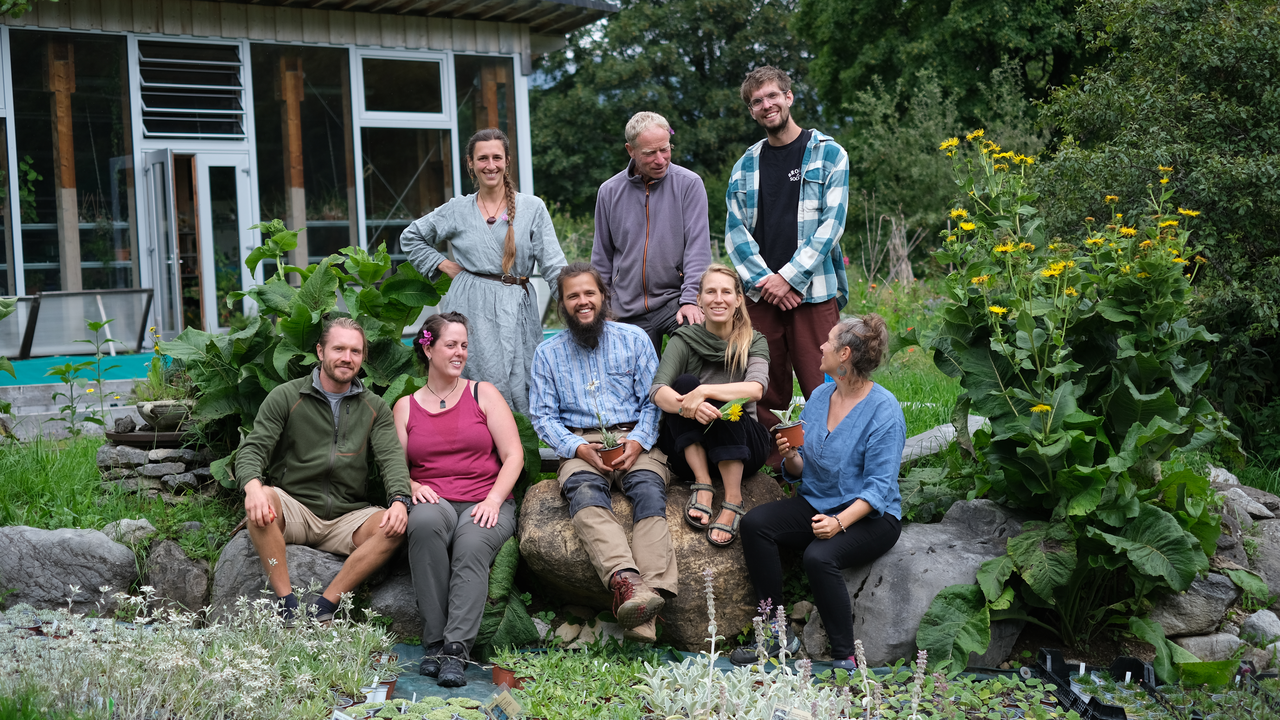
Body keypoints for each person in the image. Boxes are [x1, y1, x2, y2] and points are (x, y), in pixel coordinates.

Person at [731, 315, 904, 670]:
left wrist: (838, 523)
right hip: (819, 502)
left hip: (872, 516)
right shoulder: (821, 396)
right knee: (755, 524)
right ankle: (777, 632)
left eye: (828, 341)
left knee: (818, 556)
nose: (821, 346)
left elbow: (879, 488)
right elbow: (804, 469)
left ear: (844, 355)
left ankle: (845, 657)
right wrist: (790, 456)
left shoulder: (884, 411)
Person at [529, 262, 676, 643]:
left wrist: (638, 441)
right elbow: (542, 416)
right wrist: (577, 447)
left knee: (649, 492)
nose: (582, 301)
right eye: (573, 296)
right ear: (562, 304)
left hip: (634, 438)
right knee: (585, 494)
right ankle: (628, 583)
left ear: (603, 296)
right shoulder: (547, 353)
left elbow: (654, 401)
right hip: (581, 444)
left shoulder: (635, 339)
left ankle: (649, 598)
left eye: (589, 293)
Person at [235, 317, 411, 624]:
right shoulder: (286, 396)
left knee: (394, 526)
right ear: (320, 351)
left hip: (348, 516)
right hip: (295, 507)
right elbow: (253, 449)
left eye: (355, 351)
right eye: (338, 349)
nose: (347, 358)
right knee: (262, 500)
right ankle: (288, 605)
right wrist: (252, 487)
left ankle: (324, 606)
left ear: (363, 357)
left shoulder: (375, 407)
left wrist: (399, 500)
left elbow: (392, 459)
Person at [725, 66, 849, 463]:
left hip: (814, 292)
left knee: (826, 383)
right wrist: (768, 282)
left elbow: (832, 224)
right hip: (763, 297)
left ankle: (832, 465)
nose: (766, 105)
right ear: (751, 110)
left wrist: (790, 279)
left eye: (772, 96)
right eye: (756, 101)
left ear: (788, 97)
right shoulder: (745, 165)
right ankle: (777, 470)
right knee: (766, 388)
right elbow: (735, 233)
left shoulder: (829, 153)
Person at [393, 312, 521, 687]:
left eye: (464, 345)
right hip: (436, 500)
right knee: (423, 524)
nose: (460, 352)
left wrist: (494, 500)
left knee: (471, 543)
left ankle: (455, 651)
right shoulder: (405, 406)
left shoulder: (484, 394)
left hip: (487, 499)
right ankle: (434, 643)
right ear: (428, 348)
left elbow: (514, 455)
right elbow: (395, 467)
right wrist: (411, 485)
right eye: (451, 345)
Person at [401, 128, 567, 415]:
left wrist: (574, 302)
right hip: (471, 305)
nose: (490, 165)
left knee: (523, 379)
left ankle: (520, 440)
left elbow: (553, 265)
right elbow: (411, 237)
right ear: (471, 163)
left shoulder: (532, 208)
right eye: (482, 158)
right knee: (473, 373)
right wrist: (443, 265)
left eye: (497, 158)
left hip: (517, 306)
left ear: (507, 161)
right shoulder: (458, 209)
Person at [649, 264, 771, 547]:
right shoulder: (684, 339)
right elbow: (657, 391)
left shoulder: (753, 340)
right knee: (683, 384)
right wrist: (687, 406)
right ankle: (703, 483)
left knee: (722, 399)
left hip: (744, 448)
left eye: (726, 292)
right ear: (699, 300)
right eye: (711, 292)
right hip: (691, 449)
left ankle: (733, 499)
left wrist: (704, 392)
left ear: (738, 299)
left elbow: (756, 389)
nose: (718, 299)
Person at [593, 111, 712, 355]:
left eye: (665, 149)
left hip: (675, 300)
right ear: (631, 150)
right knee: (633, 376)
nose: (660, 160)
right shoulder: (608, 192)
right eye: (650, 153)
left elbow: (698, 249)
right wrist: (603, 308)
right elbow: (602, 257)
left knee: (699, 351)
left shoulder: (689, 184)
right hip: (626, 308)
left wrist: (691, 299)